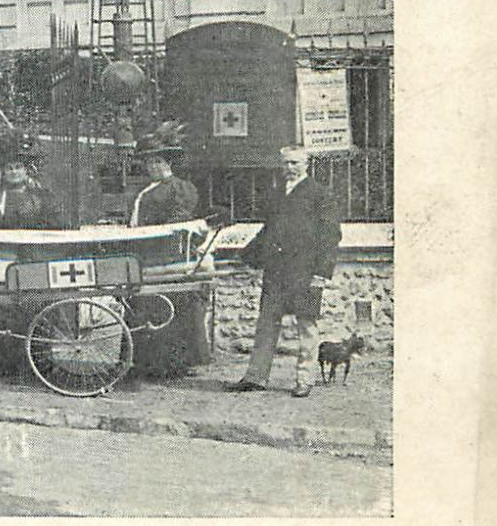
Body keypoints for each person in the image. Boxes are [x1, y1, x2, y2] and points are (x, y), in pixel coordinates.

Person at [226, 145, 342, 399]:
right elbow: (268, 232)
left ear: (306, 164)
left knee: (306, 326)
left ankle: (304, 379)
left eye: (295, 163)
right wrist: (246, 256)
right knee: (266, 324)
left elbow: (330, 235)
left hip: (306, 271)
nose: (289, 168)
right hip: (276, 272)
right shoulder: (277, 195)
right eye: (286, 163)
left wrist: (322, 272)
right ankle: (256, 377)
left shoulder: (320, 194)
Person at [0, 131, 51, 229]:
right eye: (9, 168)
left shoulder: (41, 197)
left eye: (18, 167)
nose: (14, 172)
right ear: (3, 172)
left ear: (26, 170)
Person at [129, 128, 201, 226]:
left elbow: (180, 219)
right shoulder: (145, 189)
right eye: (150, 163)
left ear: (169, 163)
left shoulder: (180, 187)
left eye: (158, 162)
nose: (153, 166)